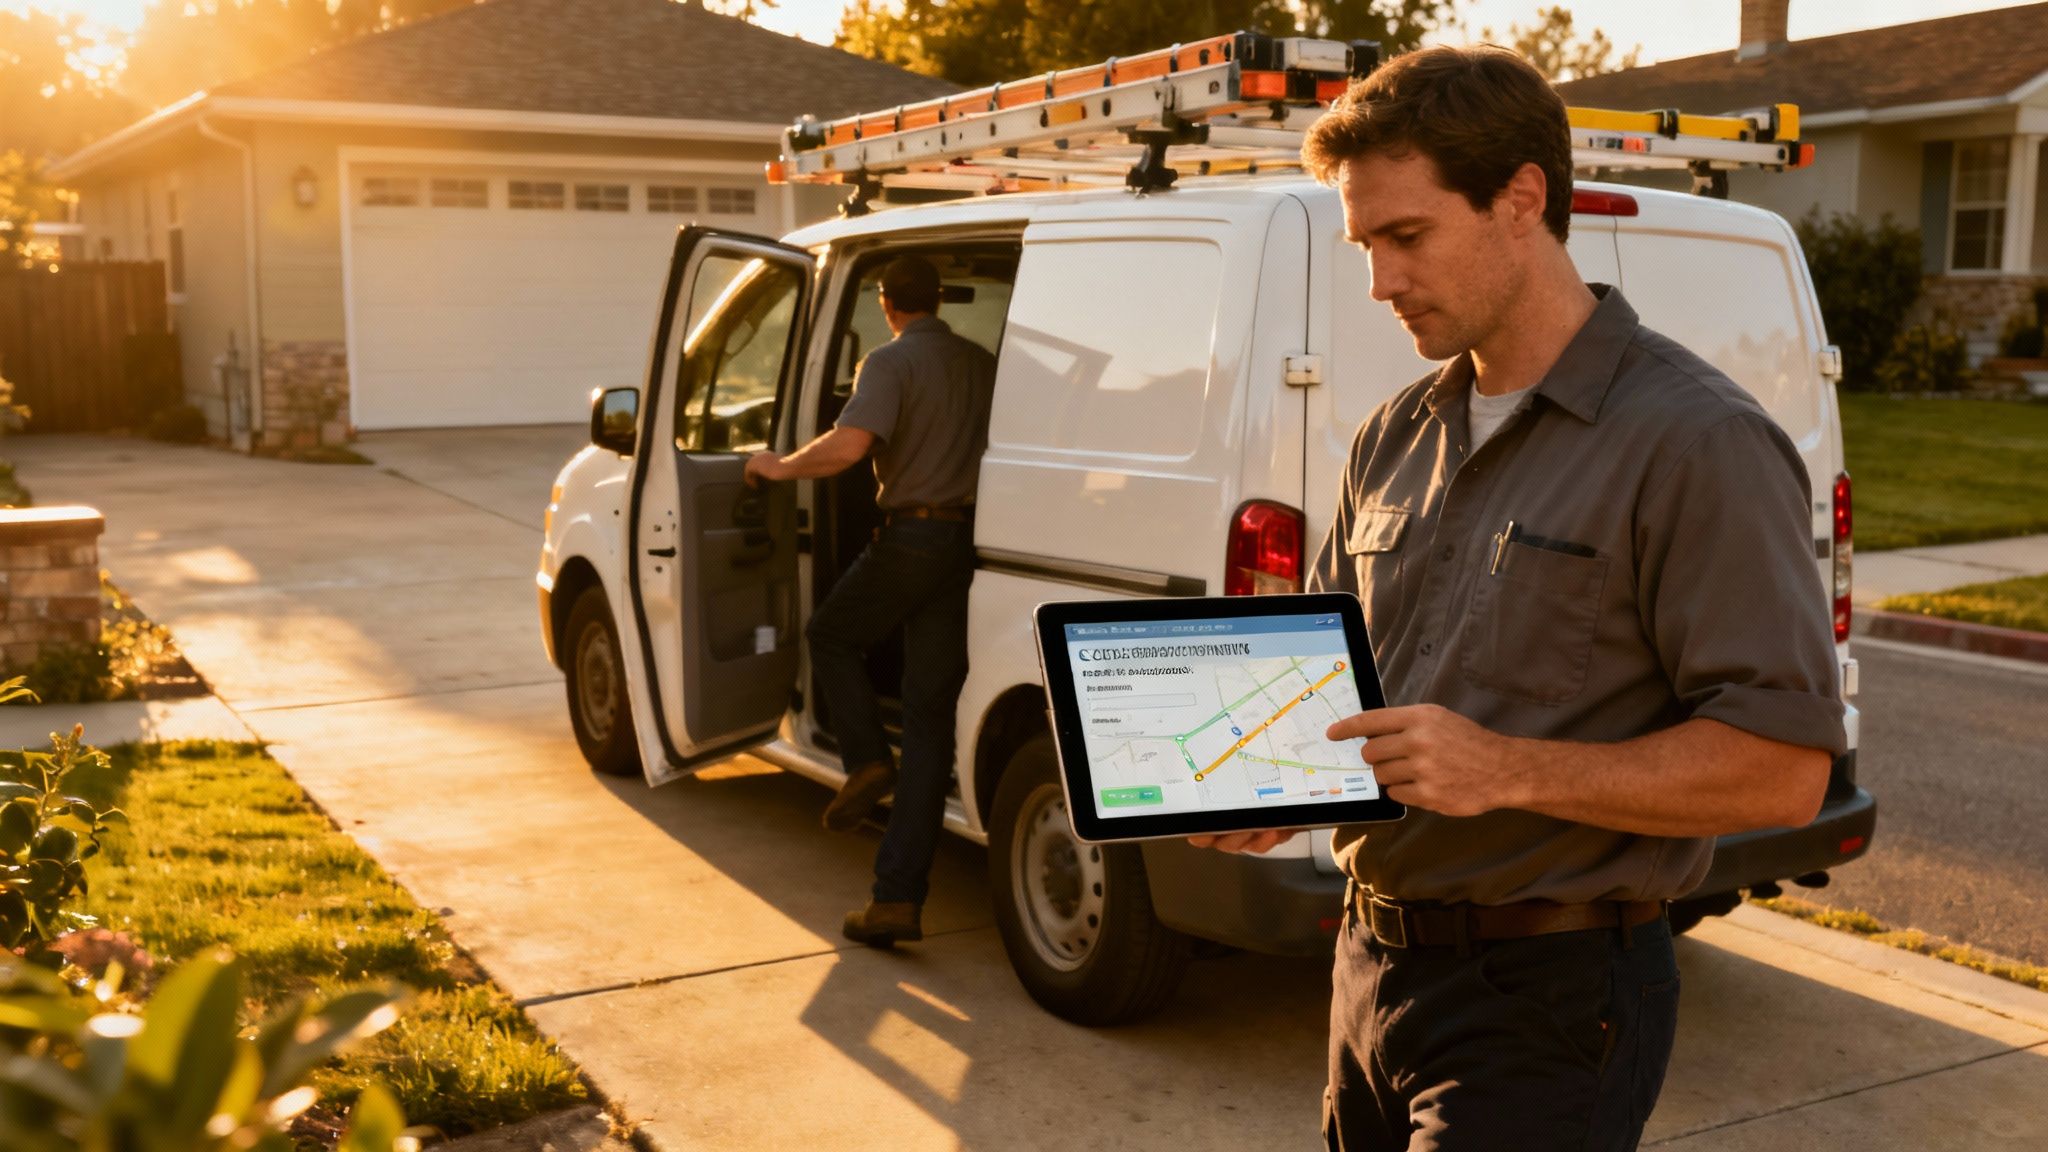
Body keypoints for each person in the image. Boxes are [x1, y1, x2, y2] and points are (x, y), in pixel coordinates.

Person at [1192, 47, 1847, 1150]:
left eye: (1405, 236)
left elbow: (1783, 770)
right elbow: (1331, 688)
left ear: (1520, 201)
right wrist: (1275, 784)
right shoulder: (1390, 434)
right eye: (1364, 245)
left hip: (1553, 994)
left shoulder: (1697, 441)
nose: (1379, 280)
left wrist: (1507, 770)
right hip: (1366, 966)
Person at [744, 254, 998, 949]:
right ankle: (894, 902)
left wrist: (778, 466)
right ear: (938, 299)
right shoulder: (981, 363)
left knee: (829, 636)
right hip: (966, 547)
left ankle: (863, 761)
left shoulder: (887, 364)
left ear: (886, 303)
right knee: (927, 729)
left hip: (912, 537)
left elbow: (849, 448)